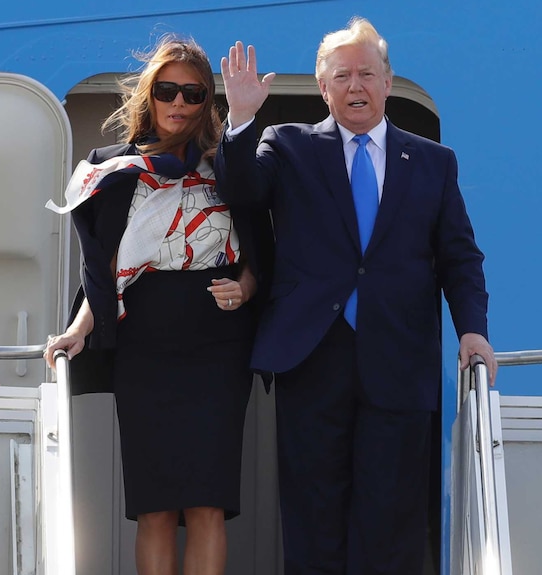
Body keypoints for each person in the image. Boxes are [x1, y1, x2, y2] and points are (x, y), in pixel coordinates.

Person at [215, 17, 497, 575]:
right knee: (313, 520)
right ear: (324, 88)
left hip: (399, 361)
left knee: (390, 524)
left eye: (367, 73)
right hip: (314, 361)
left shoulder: (434, 163)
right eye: (341, 76)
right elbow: (240, 188)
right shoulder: (288, 144)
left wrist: (472, 328)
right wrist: (243, 118)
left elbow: (460, 256)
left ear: (388, 82)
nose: (355, 86)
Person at [44, 35, 272, 575]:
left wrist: (245, 287)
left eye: (193, 94)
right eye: (167, 90)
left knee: (208, 505)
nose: (178, 103)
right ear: (150, 94)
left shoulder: (229, 163)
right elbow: (101, 271)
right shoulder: (107, 167)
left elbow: (262, 241)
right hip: (144, 351)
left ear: (205, 103)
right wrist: (78, 329)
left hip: (218, 350)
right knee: (155, 508)